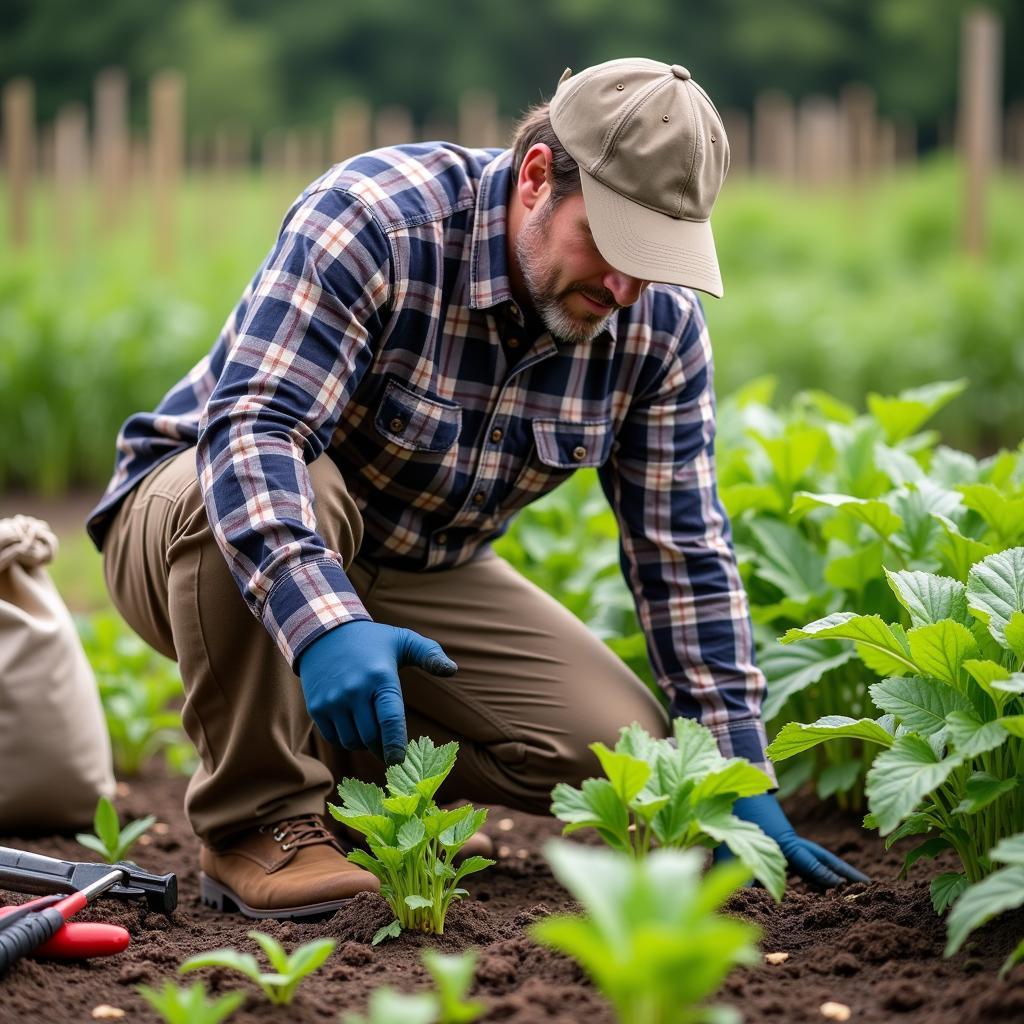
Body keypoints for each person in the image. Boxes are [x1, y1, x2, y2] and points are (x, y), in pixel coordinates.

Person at [87, 57, 867, 919]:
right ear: (537, 176)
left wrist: (736, 771)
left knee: (615, 753)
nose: (625, 287)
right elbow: (253, 435)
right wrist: (327, 625)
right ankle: (256, 823)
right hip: (196, 525)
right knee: (293, 482)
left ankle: (325, 753)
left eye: (659, 259)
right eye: (613, 245)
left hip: (421, 569)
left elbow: (683, 552)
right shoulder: (379, 219)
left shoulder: (657, 329)